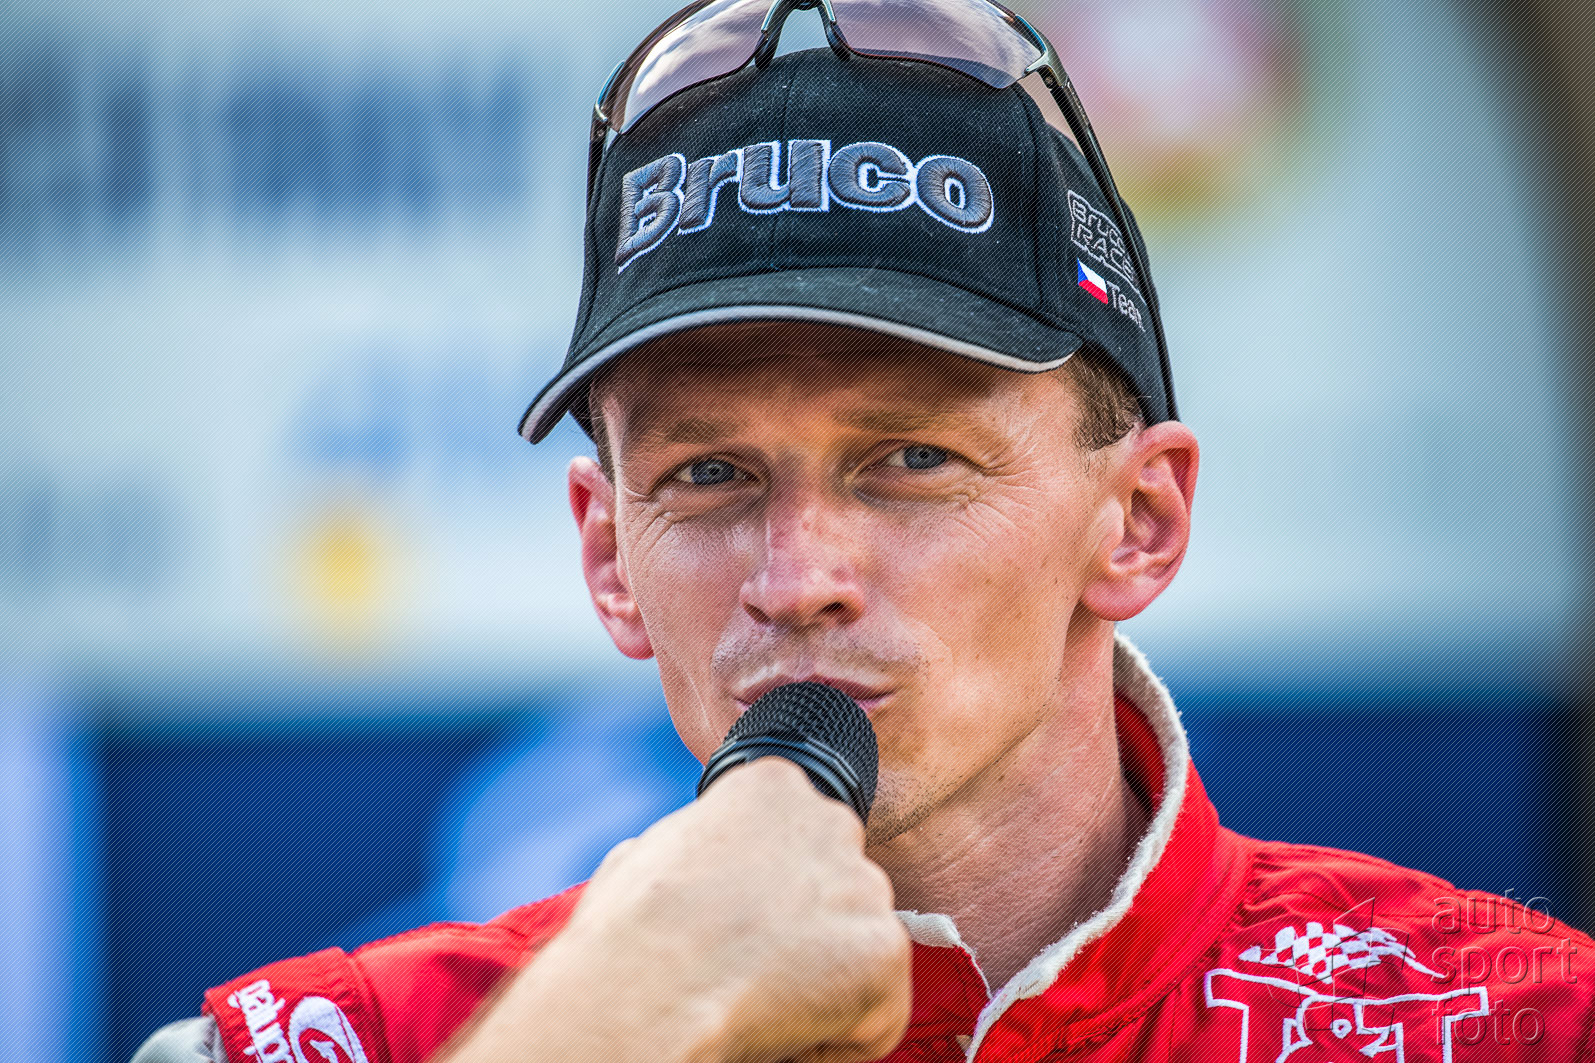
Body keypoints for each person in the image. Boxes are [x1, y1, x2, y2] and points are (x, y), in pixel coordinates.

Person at [135, 2, 1595, 1061]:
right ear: (607, 555)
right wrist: (614, 1022)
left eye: (909, 460)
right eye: (710, 474)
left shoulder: (1510, 1025)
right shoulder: (344, 1041)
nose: (798, 579)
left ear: (1139, 523)